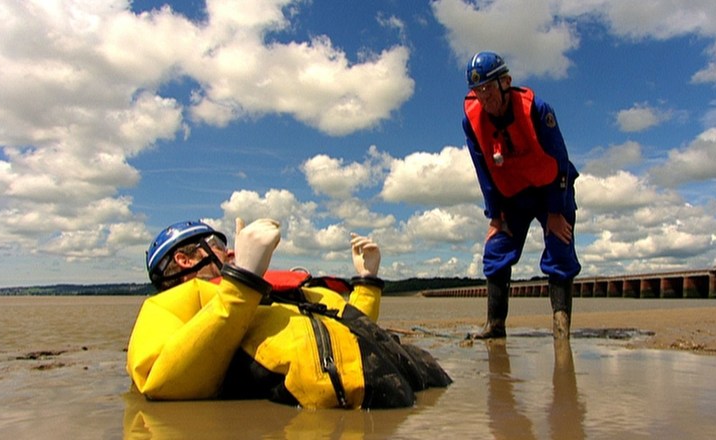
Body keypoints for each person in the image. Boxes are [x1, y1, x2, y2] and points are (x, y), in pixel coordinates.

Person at [126, 218, 451, 409]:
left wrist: (366, 283)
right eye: (216, 244)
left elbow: (349, 332)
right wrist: (242, 282)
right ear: (184, 259)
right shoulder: (172, 305)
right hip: (345, 403)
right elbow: (160, 381)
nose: (231, 250)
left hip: (412, 381)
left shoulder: (267, 291)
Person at [462, 51, 581, 340]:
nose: (484, 97)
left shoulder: (537, 109)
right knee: (495, 250)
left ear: (506, 82)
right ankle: (495, 325)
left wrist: (556, 211)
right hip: (513, 195)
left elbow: (560, 160)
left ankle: (561, 329)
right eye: (478, 90)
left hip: (551, 189)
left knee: (560, 247)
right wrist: (495, 215)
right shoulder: (472, 121)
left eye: (488, 87)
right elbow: (483, 171)